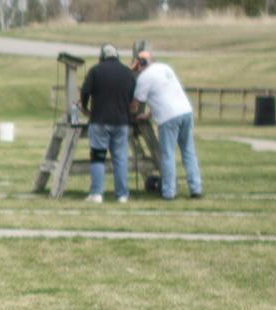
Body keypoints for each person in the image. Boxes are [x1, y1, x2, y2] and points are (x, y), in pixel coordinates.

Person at [134, 47, 202, 200]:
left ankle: (169, 192)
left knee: (168, 155)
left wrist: (132, 111)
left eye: (137, 65)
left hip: (168, 118)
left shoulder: (144, 77)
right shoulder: (165, 68)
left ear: (141, 63)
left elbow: (137, 102)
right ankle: (195, 188)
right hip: (185, 112)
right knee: (188, 152)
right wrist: (149, 114)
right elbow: (164, 93)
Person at [78, 42, 135, 203]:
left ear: (102, 56)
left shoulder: (95, 71)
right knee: (120, 158)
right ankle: (122, 195)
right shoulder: (127, 73)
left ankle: (96, 193)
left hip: (100, 121)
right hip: (122, 122)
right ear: (117, 56)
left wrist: (85, 109)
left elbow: (85, 92)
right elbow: (133, 100)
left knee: (98, 157)